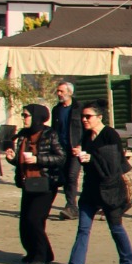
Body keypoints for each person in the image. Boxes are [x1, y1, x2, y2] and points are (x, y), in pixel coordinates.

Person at [59, 103, 132, 264]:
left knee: (116, 228)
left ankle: (127, 263)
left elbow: (114, 164)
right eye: (83, 117)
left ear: (99, 117)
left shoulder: (110, 135)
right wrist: (80, 154)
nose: (84, 120)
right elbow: (88, 161)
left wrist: (91, 157)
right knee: (83, 228)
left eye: (88, 116)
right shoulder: (86, 135)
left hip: (110, 190)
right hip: (90, 190)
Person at [4, 102, 63, 264]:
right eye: (23, 115)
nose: (23, 119)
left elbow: (60, 158)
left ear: (36, 117)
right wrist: (12, 158)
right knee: (25, 222)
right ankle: (35, 252)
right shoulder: (23, 135)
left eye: (26, 115)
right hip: (28, 183)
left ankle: (40, 256)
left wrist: (38, 159)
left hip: (46, 183)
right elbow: (20, 161)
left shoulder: (49, 134)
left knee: (34, 220)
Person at [49, 80, 85, 218]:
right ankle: (71, 206)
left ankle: (72, 206)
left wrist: (81, 145)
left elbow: (86, 129)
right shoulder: (56, 110)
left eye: (61, 91)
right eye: (58, 91)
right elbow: (54, 130)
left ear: (70, 92)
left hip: (75, 149)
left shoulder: (79, 108)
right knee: (63, 177)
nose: (59, 94)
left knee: (72, 176)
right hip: (61, 149)